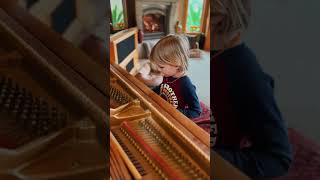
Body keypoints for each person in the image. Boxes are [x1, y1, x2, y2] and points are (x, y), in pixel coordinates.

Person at [212, 0, 292, 179]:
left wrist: (212, 159)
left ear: (217, 17)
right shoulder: (212, 52)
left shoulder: (245, 71)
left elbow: (278, 157)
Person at [143, 34, 202, 119]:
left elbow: (196, 111)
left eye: (161, 67)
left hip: (176, 119)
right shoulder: (167, 75)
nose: (158, 70)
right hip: (165, 113)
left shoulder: (185, 84)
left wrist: (175, 112)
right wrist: (150, 93)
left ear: (176, 64)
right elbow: (163, 87)